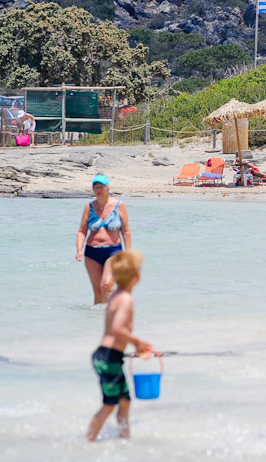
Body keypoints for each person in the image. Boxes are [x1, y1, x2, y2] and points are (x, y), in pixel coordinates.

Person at [86, 250, 152, 442]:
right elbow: (117, 328)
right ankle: (88, 442)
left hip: (109, 357)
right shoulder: (126, 299)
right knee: (109, 404)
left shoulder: (116, 295)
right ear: (137, 277)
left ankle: (124, 440)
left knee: (124, 401)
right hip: (108, 358)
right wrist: (137, 343)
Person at [76, 174, 131, 304]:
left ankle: (111, 312)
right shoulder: (89, 207)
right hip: (92, 253)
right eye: (96, 187)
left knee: (107, 285)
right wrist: (79, 250)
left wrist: (128, 252)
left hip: (113, 251)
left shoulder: (119, 205)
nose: (98, 190)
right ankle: (98, 315)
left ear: (107, 188)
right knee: (98, 292)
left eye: (101, 187)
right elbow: (82, 231)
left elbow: (126, 231)